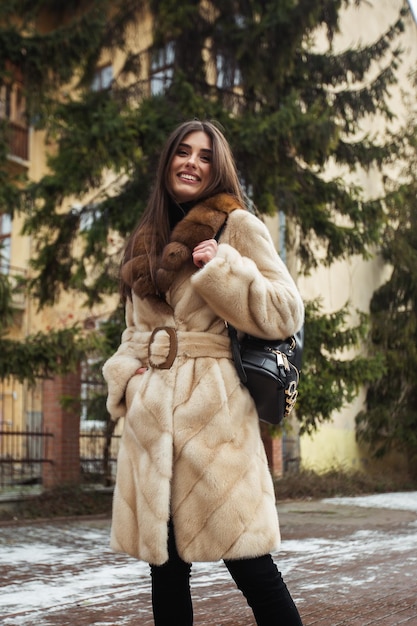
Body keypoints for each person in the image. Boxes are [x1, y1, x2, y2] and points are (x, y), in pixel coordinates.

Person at [103, 119, 305, 625]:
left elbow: (285, 312)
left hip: (213, 415)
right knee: (166, 574)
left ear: (218, 169)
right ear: (168, 160)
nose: (191, 162)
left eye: (204, 156)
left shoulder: (237, 225)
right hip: (153, 421)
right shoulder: (144, 241)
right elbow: (133, 331)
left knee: (254, 568)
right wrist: (128, 379)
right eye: (183, 152)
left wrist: (224, 268)